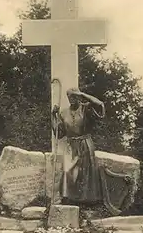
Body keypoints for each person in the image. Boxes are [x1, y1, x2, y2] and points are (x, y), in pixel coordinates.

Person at [51, 87, 132, 215]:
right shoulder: (63, 113)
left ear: (79, 97)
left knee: (86, 173)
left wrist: (83, 94)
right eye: (70, 97)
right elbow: (59, 133)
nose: (72, 99)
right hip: (71, 146)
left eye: (75, 96)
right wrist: (53, 115)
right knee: (69, 171)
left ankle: (86, 202)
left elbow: (100, 105)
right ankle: (69, 199)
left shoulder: (86, 108)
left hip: (85, 144)